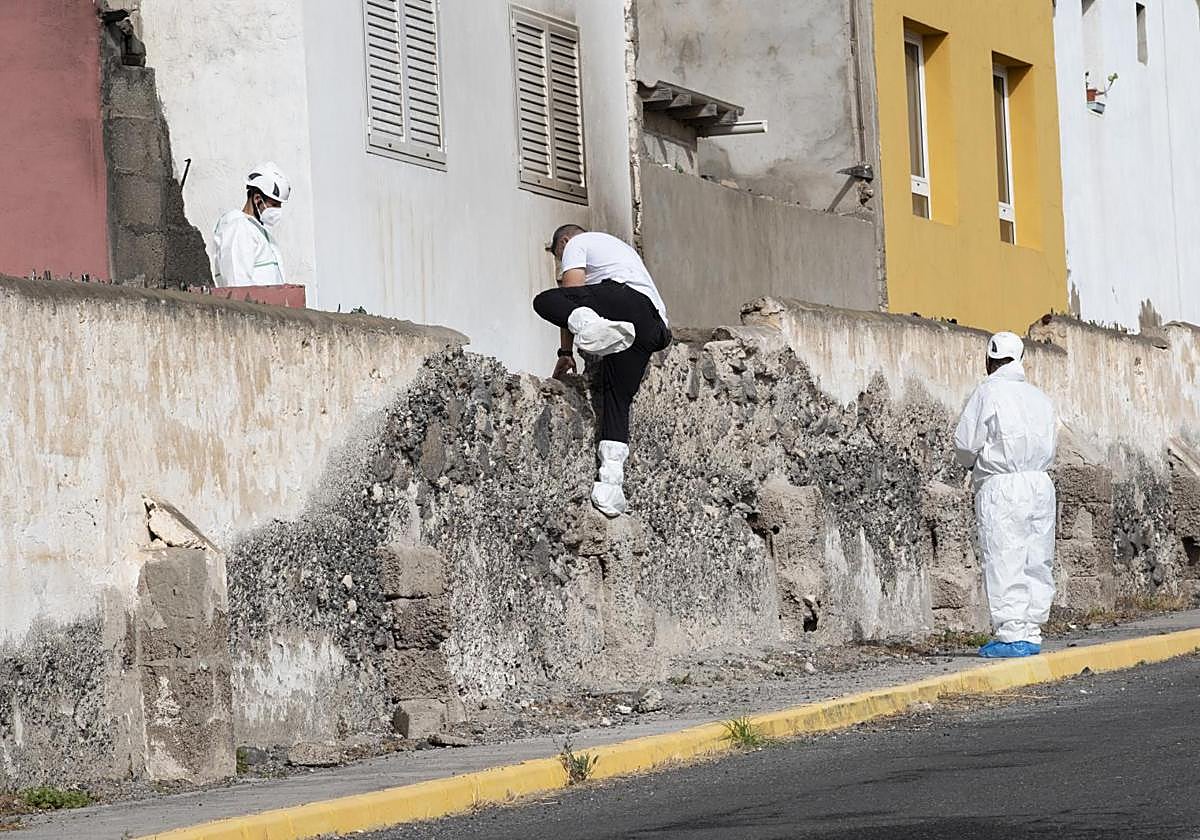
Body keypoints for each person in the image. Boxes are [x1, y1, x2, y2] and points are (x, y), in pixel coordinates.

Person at [533, 224, 671, 517]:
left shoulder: (577, 242)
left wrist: (567, 348)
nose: (563, 264)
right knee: (616, 399)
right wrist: (566, 353)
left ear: (565, 241)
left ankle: (595, 328)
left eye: (560, 256)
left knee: (545, 300)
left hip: (628, 304)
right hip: (655, 329)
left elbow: (571, 294)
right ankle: (611, 487)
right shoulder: (621, 253)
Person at [954, 331, 1057, 658]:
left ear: (989, 359)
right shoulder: (1039, 397)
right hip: (1040, 483)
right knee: (1036, 557)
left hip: (1003, 484)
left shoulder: (988, 393)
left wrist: (972, 465)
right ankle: (1031, 630)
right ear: (1021, 358)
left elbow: (966, 443)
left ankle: (1011, 634)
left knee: (1005, 554)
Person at [211, 162, 291, 287]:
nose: (278, 210)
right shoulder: (238, 228)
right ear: (257, 199)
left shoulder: (255, 230)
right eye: (274, 205)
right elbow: (237, 284)